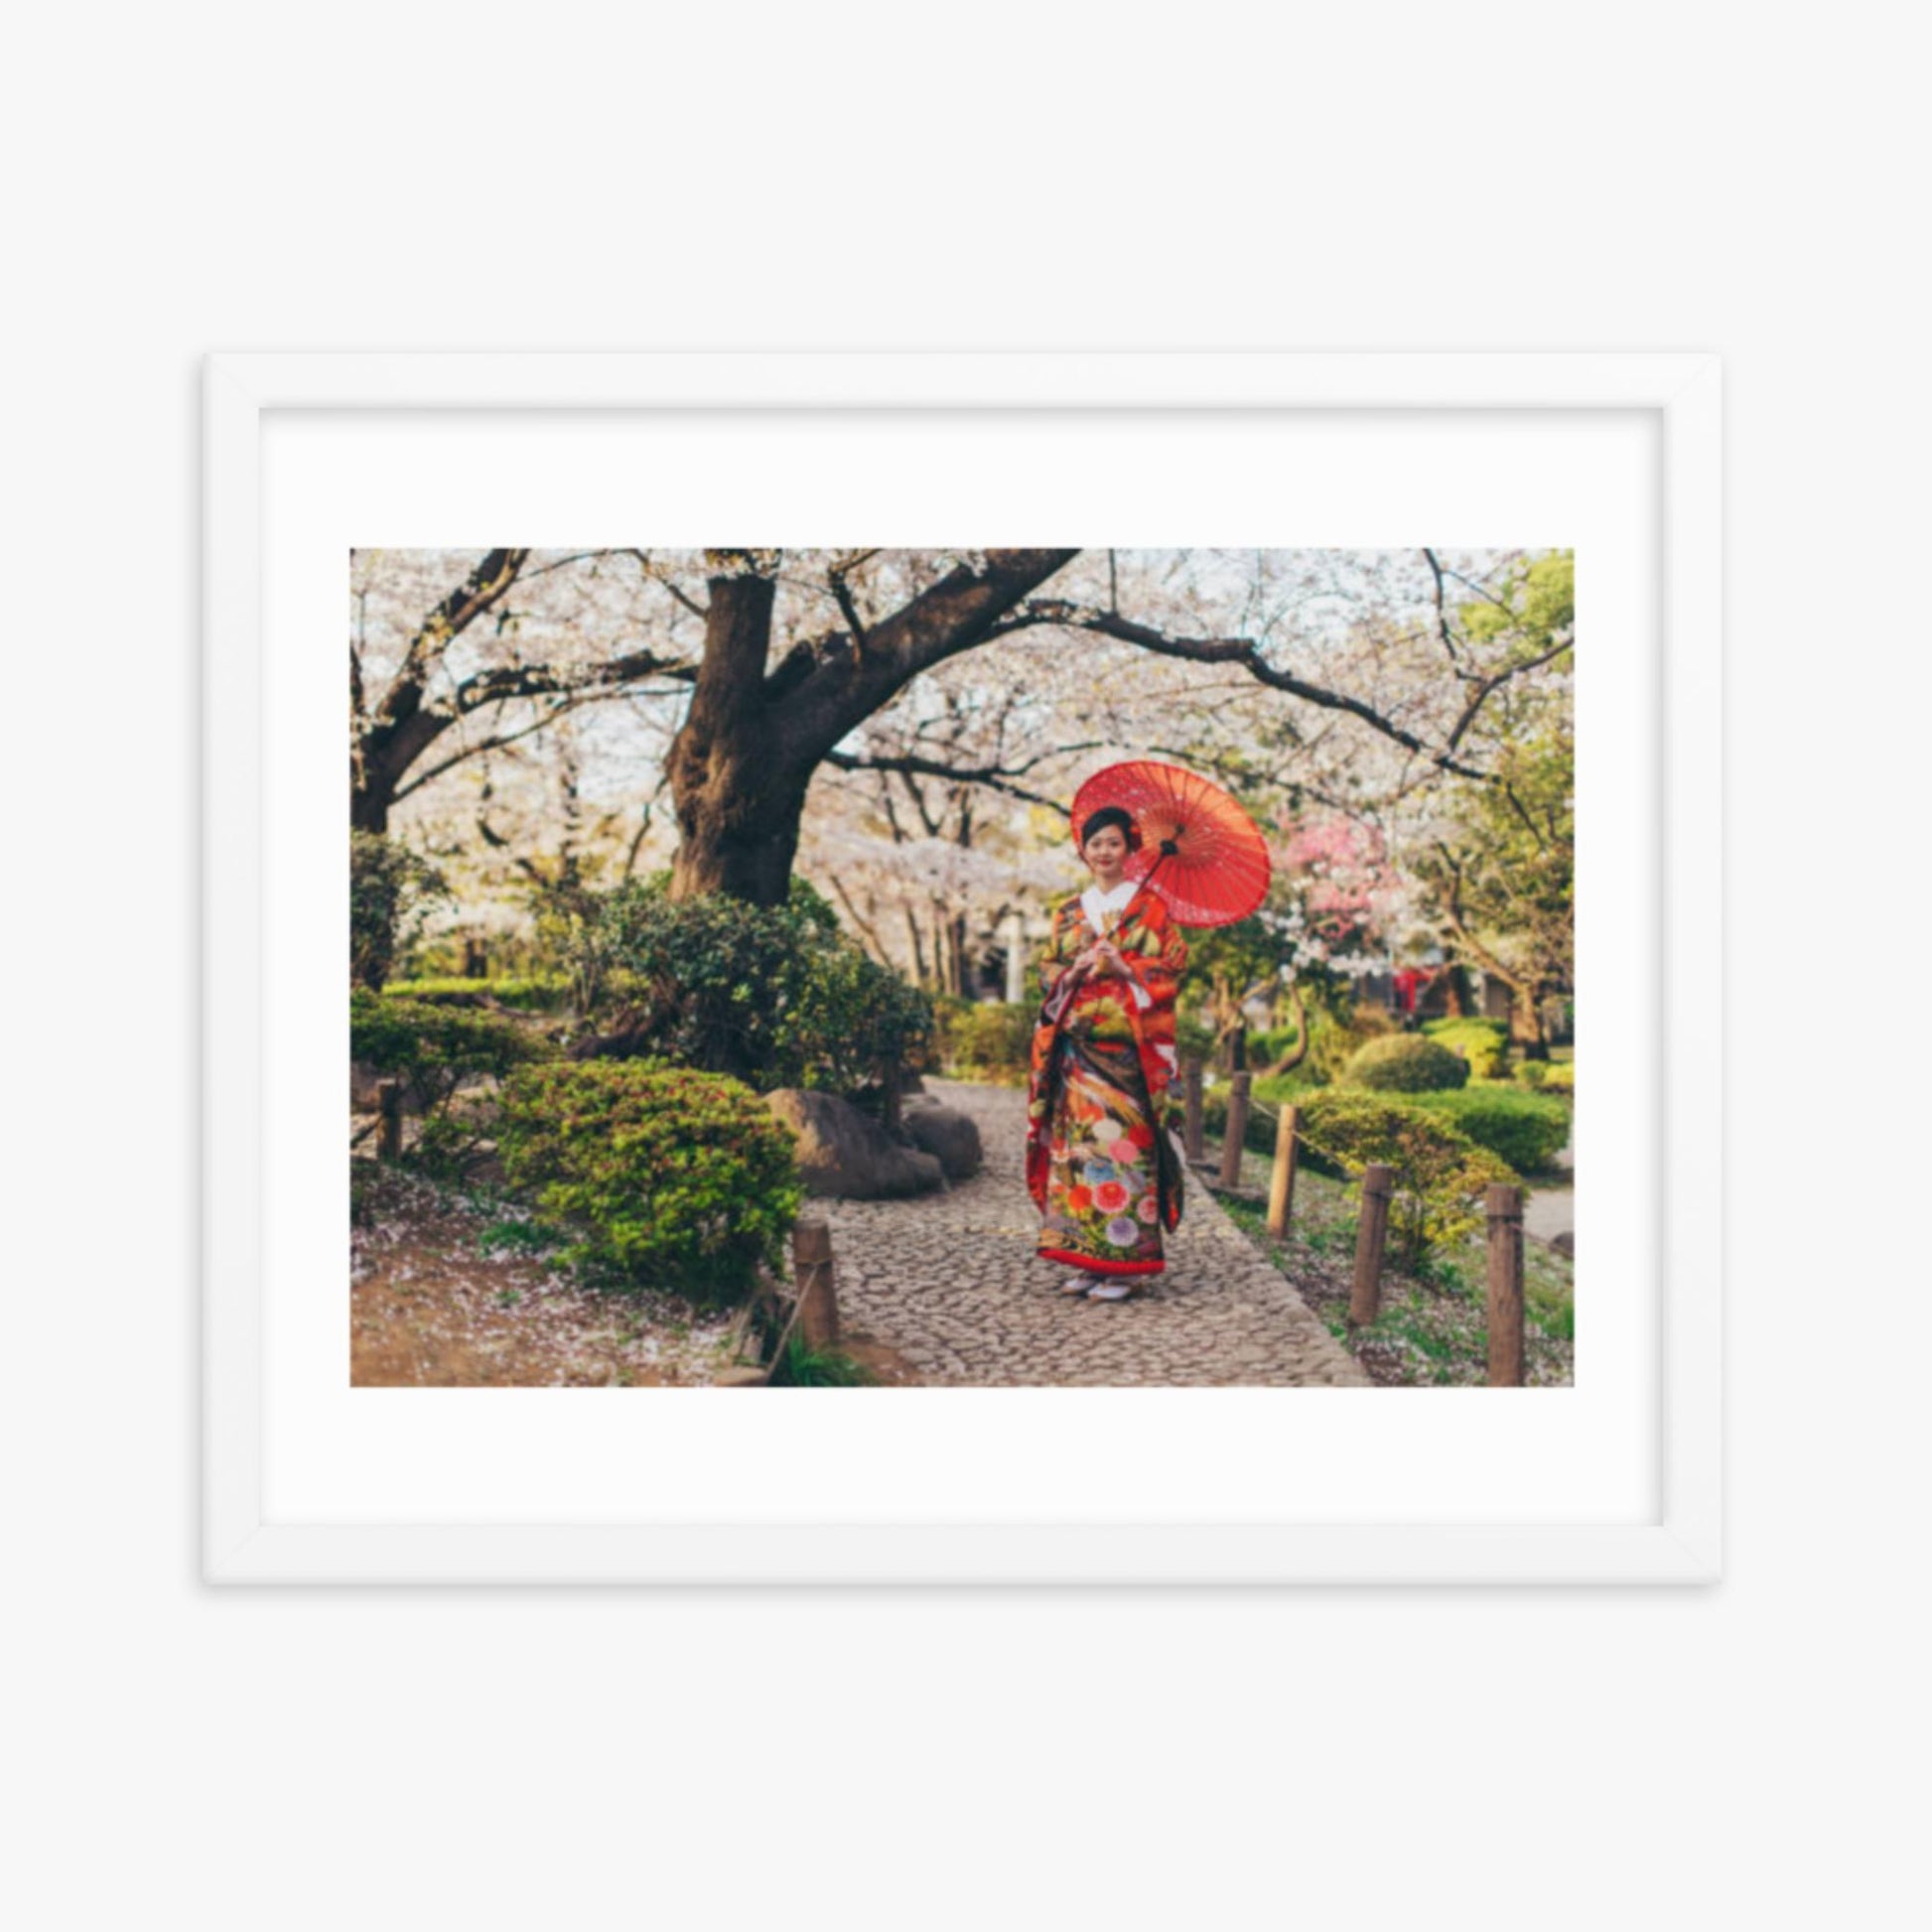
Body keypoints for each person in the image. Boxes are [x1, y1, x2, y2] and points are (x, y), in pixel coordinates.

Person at [1025, 804, 1188, 1300]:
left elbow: (1173, 968)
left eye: (1114, 843)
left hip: (1129, 1058)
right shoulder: (1069, 911)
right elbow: (1048, 971)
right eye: (1095, 843)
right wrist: (1072, 973)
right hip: (1077, 1054)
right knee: (1079, 1155)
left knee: (1123, 1152)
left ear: (1130, 849)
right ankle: (1087, 1256)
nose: (1104, 852)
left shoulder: (1151, 908)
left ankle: (1126, 1264)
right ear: (1084, 850)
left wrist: (1126, 968)